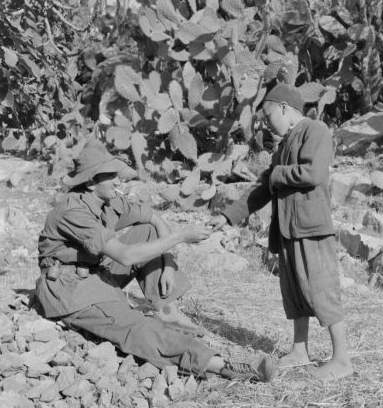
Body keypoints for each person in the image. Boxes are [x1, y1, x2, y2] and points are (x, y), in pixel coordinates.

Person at [35, 139, 276, 383]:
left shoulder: (106, 199)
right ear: (90, 182)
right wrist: (179, 236)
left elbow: (153, 219)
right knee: (137, 326)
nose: (119, 179)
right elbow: (126, 256)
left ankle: (168, 311)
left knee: (147, 232)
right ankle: (221, 365)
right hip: (71, 289)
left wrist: (167, 265)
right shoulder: (73, 211)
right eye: (111, 175)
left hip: (96, 271)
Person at [208, 84, 353, 381]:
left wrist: (276, 174)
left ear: (285, 109)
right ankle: (300, 350)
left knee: (320, 290)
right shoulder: (284, 144)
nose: (265, 122)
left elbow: (313, 173)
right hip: (288, 230)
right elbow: (263, 188)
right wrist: (228, 217)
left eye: (268, 114)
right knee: (295, 292)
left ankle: (342, 359)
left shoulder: (316, 130)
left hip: (311, 229)